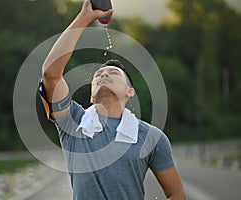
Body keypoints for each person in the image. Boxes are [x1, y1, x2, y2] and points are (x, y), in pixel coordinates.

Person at [38, 0, 185, 199]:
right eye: (98, 75)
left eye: (113, 73)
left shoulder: (152, 138)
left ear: (130, 92)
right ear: (91, 95)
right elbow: (50, 74)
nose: (103, 75)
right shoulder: (73, 122)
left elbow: (175, 193)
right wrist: (85, 17)